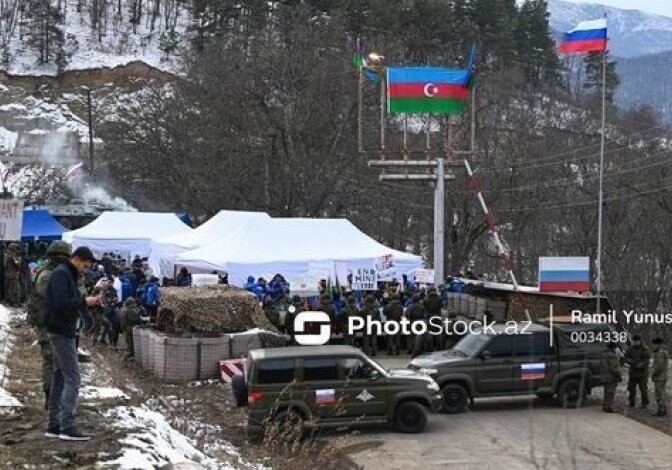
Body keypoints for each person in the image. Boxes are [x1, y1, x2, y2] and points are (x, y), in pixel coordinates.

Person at [44, 246, 102, 441]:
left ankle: (53, 425)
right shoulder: (62, 275)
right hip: (61, 331)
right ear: (76, 259)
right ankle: (67, 426)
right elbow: (62, 303)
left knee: (60, 376)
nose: (85, 269)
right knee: (73, 378)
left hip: (60, 329)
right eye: (85, 265)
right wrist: (86, 301)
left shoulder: (65, 274)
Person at [25, 240, 72, 410]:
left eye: (64, 256)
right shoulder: (46, 275)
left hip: (61, 323)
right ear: (52, 256)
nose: (62, 259)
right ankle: (50, 397)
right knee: (51, 359)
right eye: (59, 256)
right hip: (47, 323)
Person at [623, 334, 651, 408]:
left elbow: (647, 360)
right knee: (631, 388)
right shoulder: (631, 348)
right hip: (633, 372)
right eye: (634, 341)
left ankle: (644, 403)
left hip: (642, 373)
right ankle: (631, 402)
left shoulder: (645, 349)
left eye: (637, 341)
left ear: (640, 341)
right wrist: (628, 361)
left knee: (643, 389)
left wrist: (641, 364)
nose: (635, 342)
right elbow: (625, 356)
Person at [600, 342, 622, 413]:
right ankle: (608, 407)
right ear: (613, 348)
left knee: (606, 391)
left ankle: (605, 406)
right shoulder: (612, 355)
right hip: (611, 377)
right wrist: (618, 374)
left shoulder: (604, 354)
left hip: (605, 376)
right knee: (611, 392)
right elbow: (613, 368)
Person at [651, 337, 668, 416]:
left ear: (658, 344)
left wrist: (653, 373)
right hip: (662, 376)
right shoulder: (663, 352)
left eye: (654, 344)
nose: (653, 346)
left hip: (659, 377)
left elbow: (659, 366)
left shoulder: (660, 353)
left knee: (659, 394)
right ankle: (663, 409)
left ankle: (661, 410)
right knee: (662, 393)